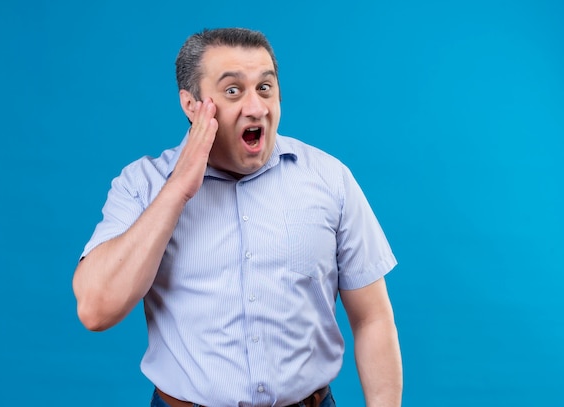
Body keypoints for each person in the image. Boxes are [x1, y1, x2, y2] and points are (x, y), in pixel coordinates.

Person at [73, 27, 402, 407]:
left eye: (265, 88)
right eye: (233, 91)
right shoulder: (141, 185)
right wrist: (178, 188)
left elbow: (372, 319)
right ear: (192, 104)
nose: (256, 107)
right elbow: (97, 309)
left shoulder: (330, 178)